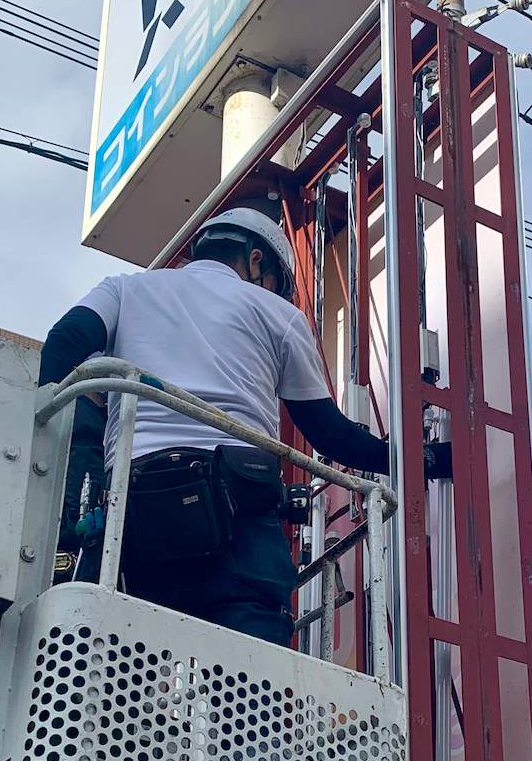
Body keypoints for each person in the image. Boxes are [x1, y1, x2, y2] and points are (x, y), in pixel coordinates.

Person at [38, 200, 440, 645]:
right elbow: (329, 433)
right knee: (252, 677)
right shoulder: (279, 315)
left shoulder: (126, 289)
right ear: (255, 260)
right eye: (276, 284)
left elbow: (62, 345)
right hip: (238, 512)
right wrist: (423, 459)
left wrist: (69, 451)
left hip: (131, 509)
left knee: (124, 668)